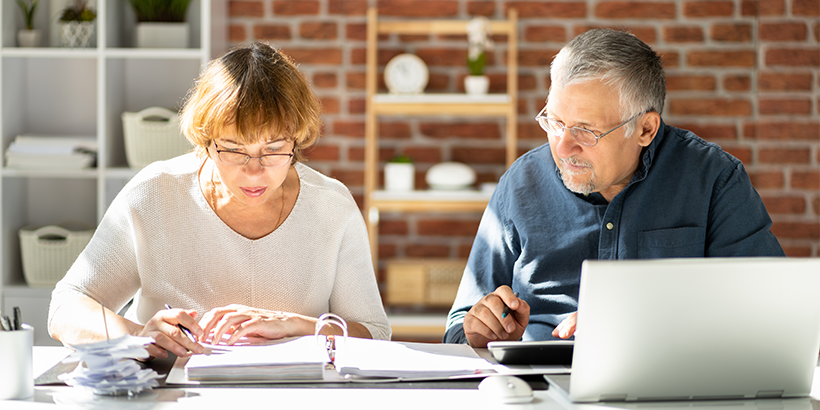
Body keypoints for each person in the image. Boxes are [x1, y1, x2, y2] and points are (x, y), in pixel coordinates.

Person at [444, 29, 784, 348]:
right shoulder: (520, 184)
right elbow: (460, 326)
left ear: (646, 129)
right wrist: (479, 331)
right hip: (538, 389)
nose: (562, 148)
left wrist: (639, 322)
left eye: (586, 131)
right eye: (555, 122)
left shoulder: (713, 180)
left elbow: (770, 313)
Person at [48, 42, 391, 359]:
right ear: (207, 141)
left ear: (296, 141)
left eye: (273, 150)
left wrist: (301, 326)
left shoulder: (332, 206)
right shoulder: (155, 193)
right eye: (234, 149)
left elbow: (375, 334)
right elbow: (66, 308)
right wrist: (139, 337)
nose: (254, 171)